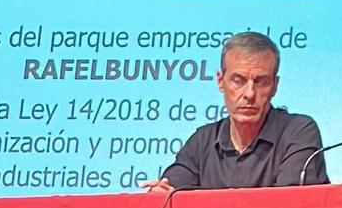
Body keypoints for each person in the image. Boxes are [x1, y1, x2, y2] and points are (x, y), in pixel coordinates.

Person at [139, 31, 327, 192]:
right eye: (239, 80)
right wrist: (160, 193)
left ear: (275, 86)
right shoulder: (202, 141)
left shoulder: (299, 132)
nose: (249, 94)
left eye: (261, 81)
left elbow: (288, 207)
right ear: (221, 82)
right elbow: (170, 191)